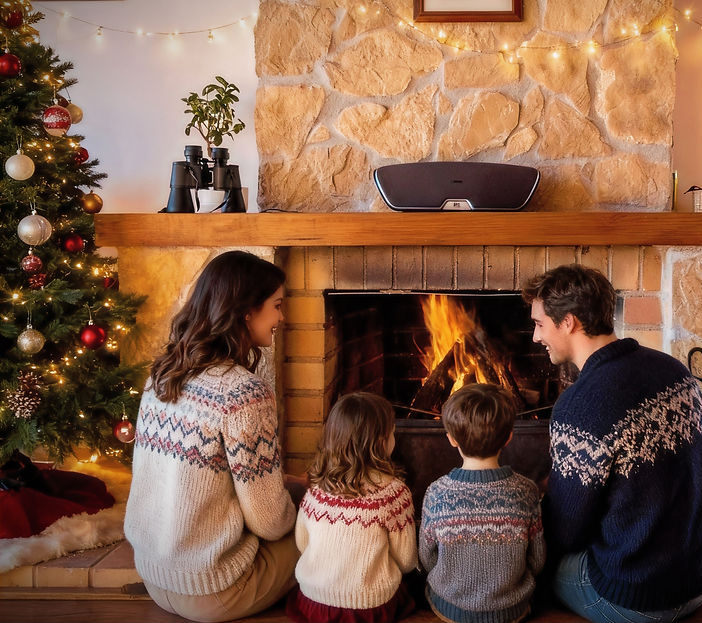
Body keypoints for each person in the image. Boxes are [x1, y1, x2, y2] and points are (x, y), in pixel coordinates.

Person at [521, 264, 702, 623]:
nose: (535, 336)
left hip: (638, 598)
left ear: (568, 322)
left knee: (531, 565)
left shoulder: (580, 405)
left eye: (540, 324)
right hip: (700, 576)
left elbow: (566, 532)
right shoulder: (674, 370)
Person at [124, 250, 299, 623]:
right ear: (247, 311)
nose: (282, 318)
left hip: (157, 577)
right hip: (216, 589)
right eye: (277, 306)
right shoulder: (241, 393)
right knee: (334, 526)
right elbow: (270, 522)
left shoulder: (161, 376)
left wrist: (292, 485)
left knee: (298, 493)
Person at [287, 392, 418, 623]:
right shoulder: (394, 494)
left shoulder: (316, 491)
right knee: (413, 586)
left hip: (314, 603)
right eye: (393, 433)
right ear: (381, 442)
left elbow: (302, 544)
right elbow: (406, 562)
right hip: (369, 608)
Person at [419, 383, 545, 623]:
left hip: (450, 608)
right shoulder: (527, 491)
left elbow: (427, 559)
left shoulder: (436, 493)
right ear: (509, 437)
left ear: (452, 439)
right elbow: (537, 560)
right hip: (511, 610)